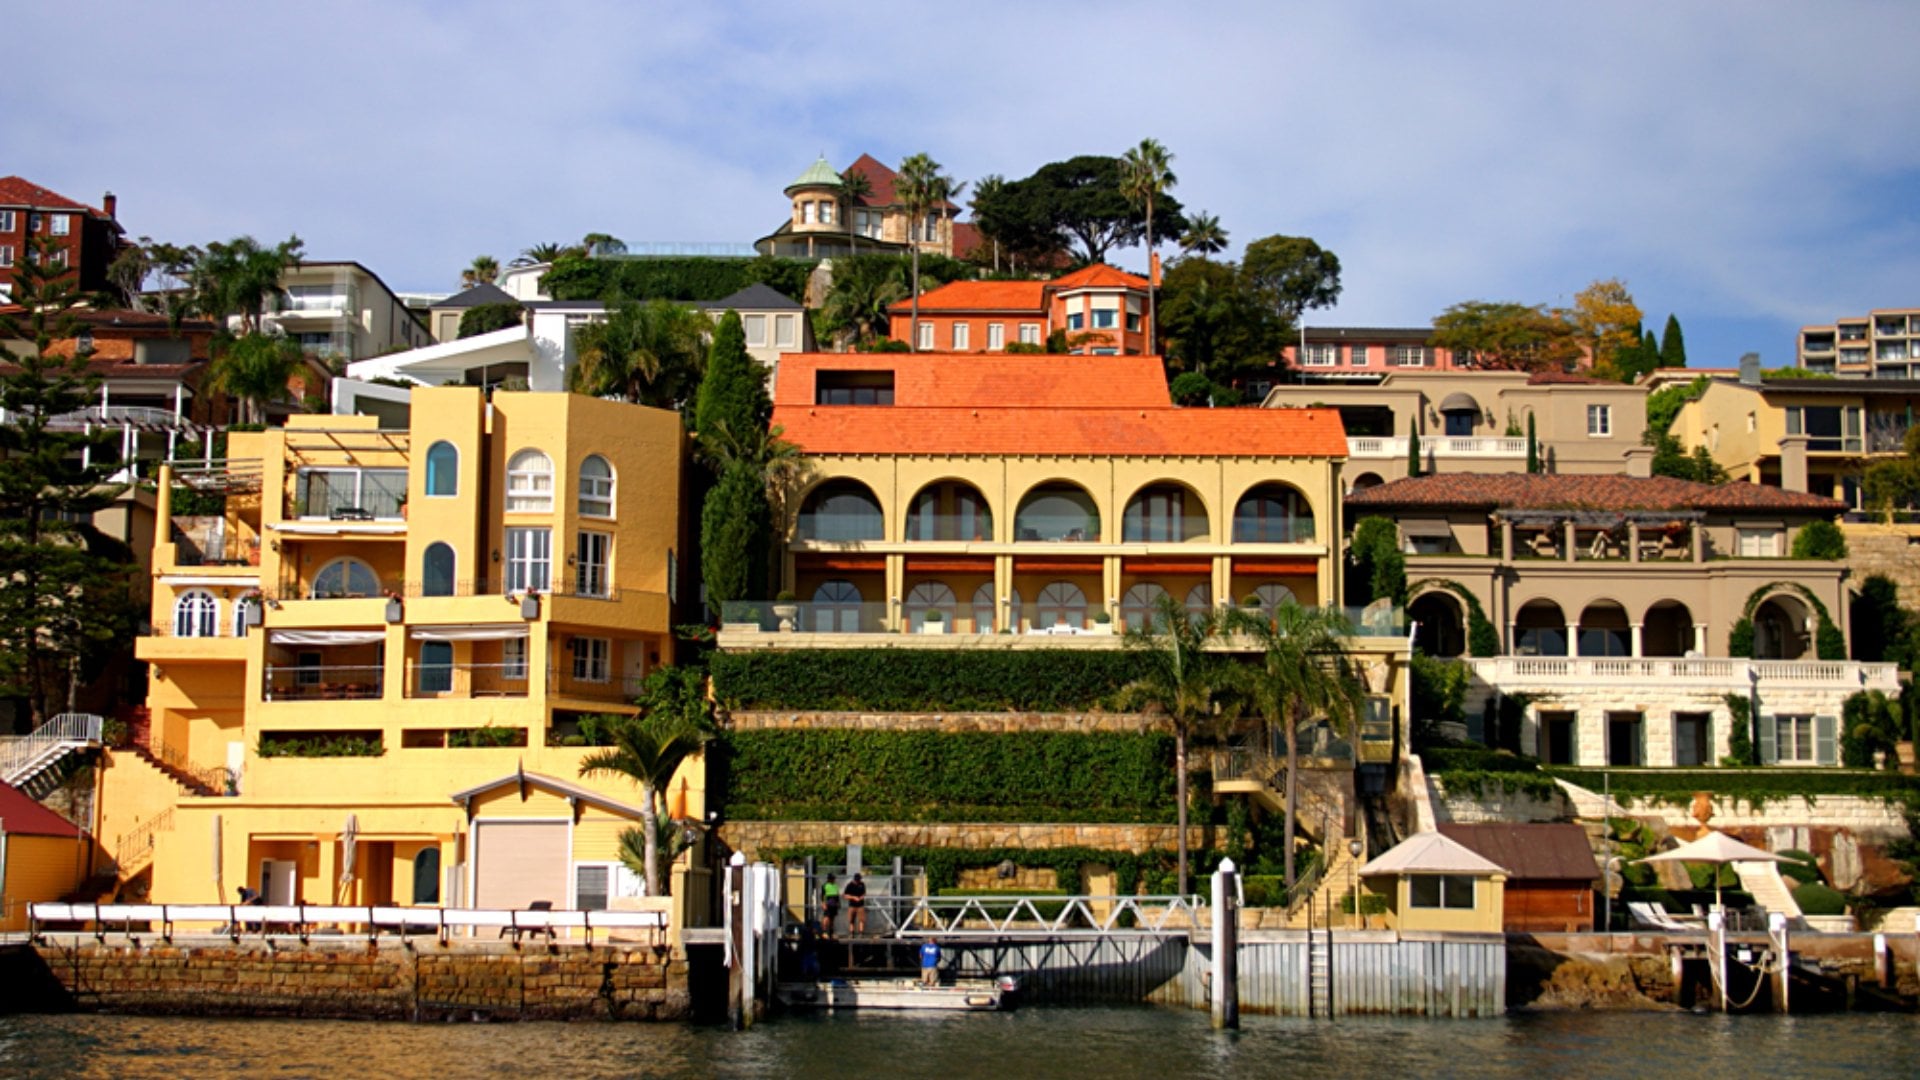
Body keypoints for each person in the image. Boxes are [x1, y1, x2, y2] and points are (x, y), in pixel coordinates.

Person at [820, 873, 840, 939]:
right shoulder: (825, 885)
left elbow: (837, 895)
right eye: (832, 878)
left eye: (834, 878)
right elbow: (822, 895)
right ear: (829, 879)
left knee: (832, 919)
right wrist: (823, 904)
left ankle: (831, 933)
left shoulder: (835, 885)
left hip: (834, 904)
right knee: (826, 917)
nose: (834, 879)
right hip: (828, 904)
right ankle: (824, 932)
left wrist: (838, 903)